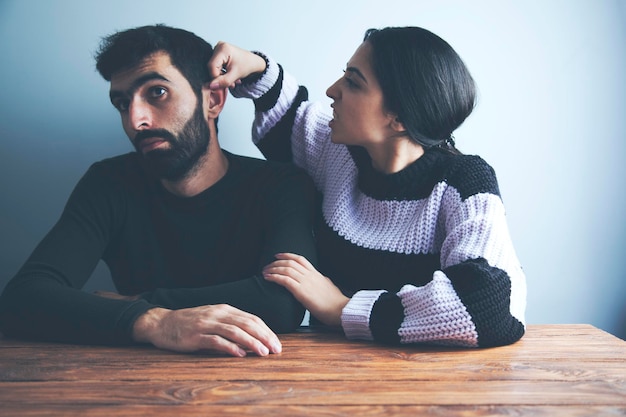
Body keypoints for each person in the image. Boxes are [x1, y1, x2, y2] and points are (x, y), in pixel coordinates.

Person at [0, 24, 318, 357]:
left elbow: (282, 303)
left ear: (212, 100)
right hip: (130, 383)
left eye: (157, 93)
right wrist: (156, 322)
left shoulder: (279, 185)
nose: (136, 119)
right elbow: (23, 300)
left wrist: (134, 303)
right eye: (123, 104)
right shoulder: (109, 183)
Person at [207, 26, 527, 348]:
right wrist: (254, 67)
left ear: (399, 117)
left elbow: (490, 306)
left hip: (428, 385)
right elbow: (288, 112)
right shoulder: (337, 153)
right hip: (328, 374)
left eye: (353, 82)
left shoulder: (464, 182)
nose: (332, 91)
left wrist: (341, 308)